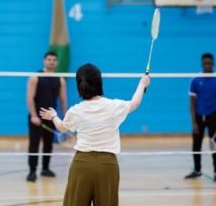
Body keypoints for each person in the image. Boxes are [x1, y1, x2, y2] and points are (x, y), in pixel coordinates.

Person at [40, 63, 150, 206]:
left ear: (79, 85)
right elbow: (134, 103)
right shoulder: (114, 106)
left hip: (81, 165)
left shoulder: (75, 111)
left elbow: (62, 128)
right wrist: (142, 84)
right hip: (107, 166)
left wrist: (54, 116)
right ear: (100, 83)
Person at [185, 53, 216, 183]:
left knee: (214, 145)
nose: (207, 65)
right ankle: (197, 170)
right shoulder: (195, 79)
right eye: (205, 63)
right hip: (198, 116)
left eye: (209, 63)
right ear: (202, 64)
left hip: (213, 115)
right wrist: (194, 123)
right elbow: (192, 103)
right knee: (196, 145)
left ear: (213, 63)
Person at [26, 51, 67, 182]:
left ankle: (45, 169)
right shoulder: (35, 77)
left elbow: (63, 100)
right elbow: (29, 98)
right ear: (44, 61)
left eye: (54, 60)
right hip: (36, 118)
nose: (51, 62)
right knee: (34, 144)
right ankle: (32, 171)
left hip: (51, 118)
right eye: (49, 59)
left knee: (48, 144)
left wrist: (65, 117)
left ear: (56, 62)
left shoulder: (60, 79)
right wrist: (33, 116)